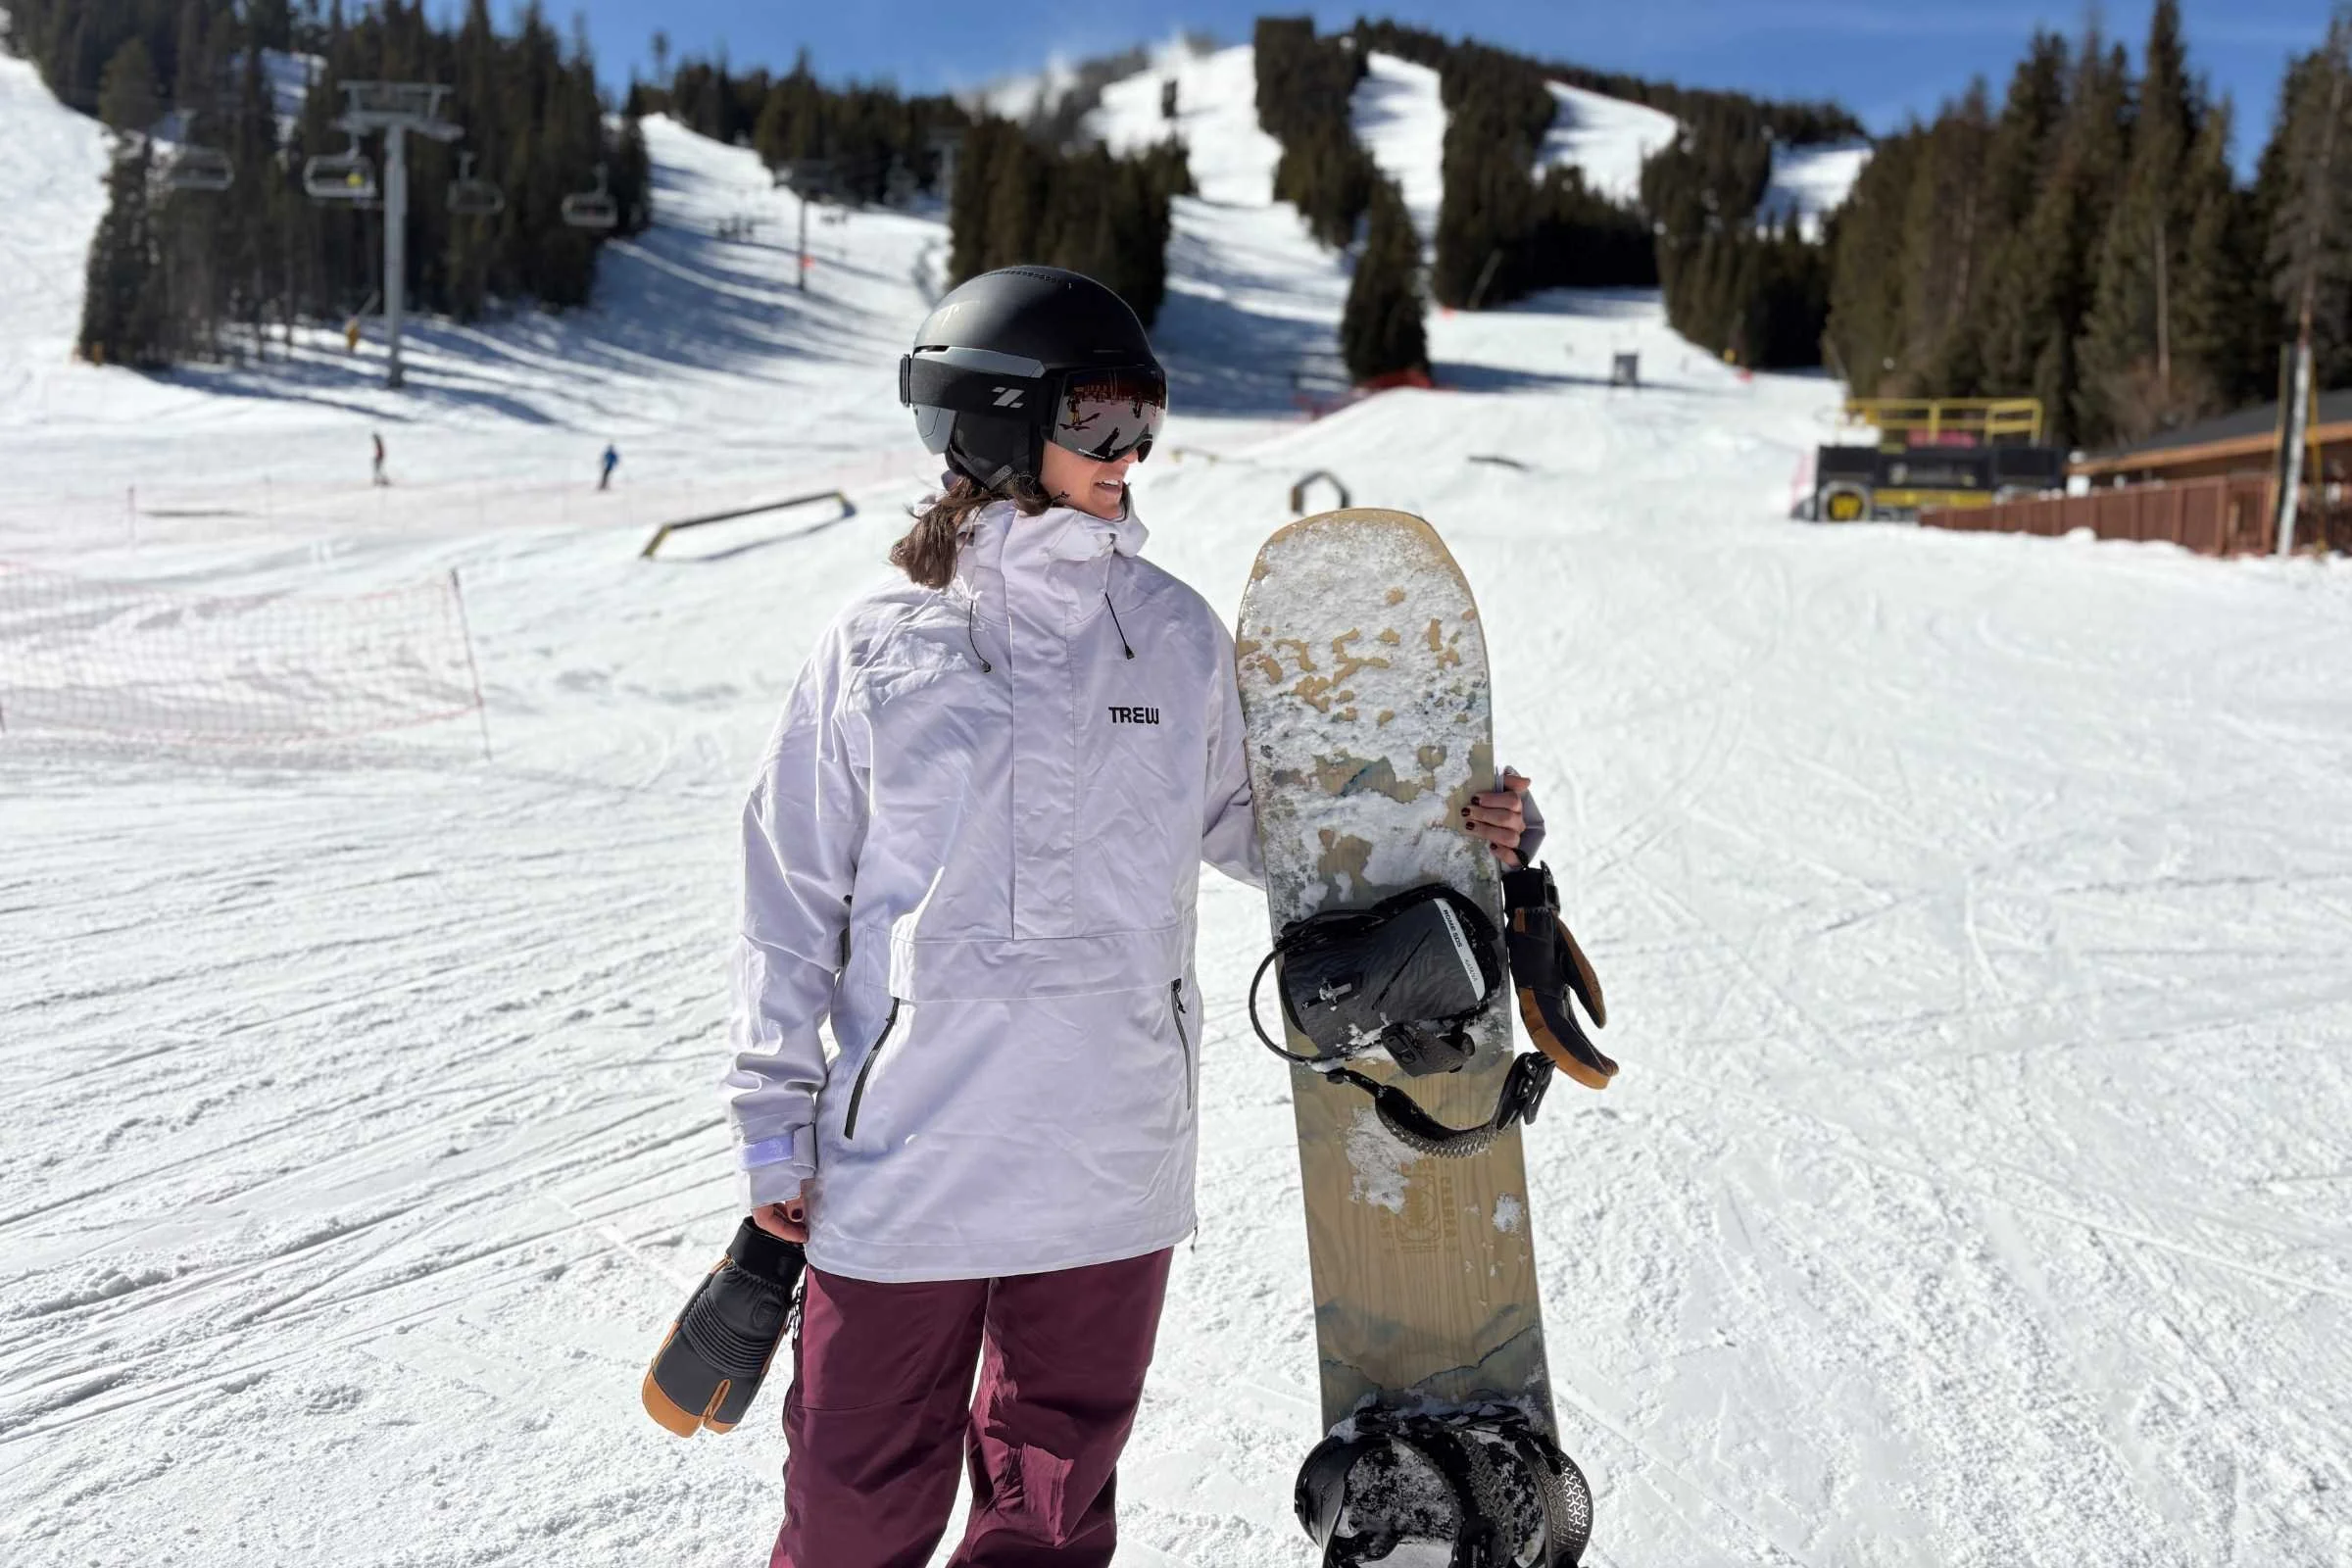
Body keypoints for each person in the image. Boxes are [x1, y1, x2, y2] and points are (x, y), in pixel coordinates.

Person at [725, 266, 1535, 1568]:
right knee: (850, 1509)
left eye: (1145, 421)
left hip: (1107, 1157)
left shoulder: (1171, 633)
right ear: (994, 427)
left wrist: (1458, 833)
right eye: (1099, 422)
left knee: (1048, 1516)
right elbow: (790, 892)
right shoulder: (881, 645)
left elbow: (1264, 833)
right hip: (908, 1160)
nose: (1134, 453)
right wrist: (773, 1118)